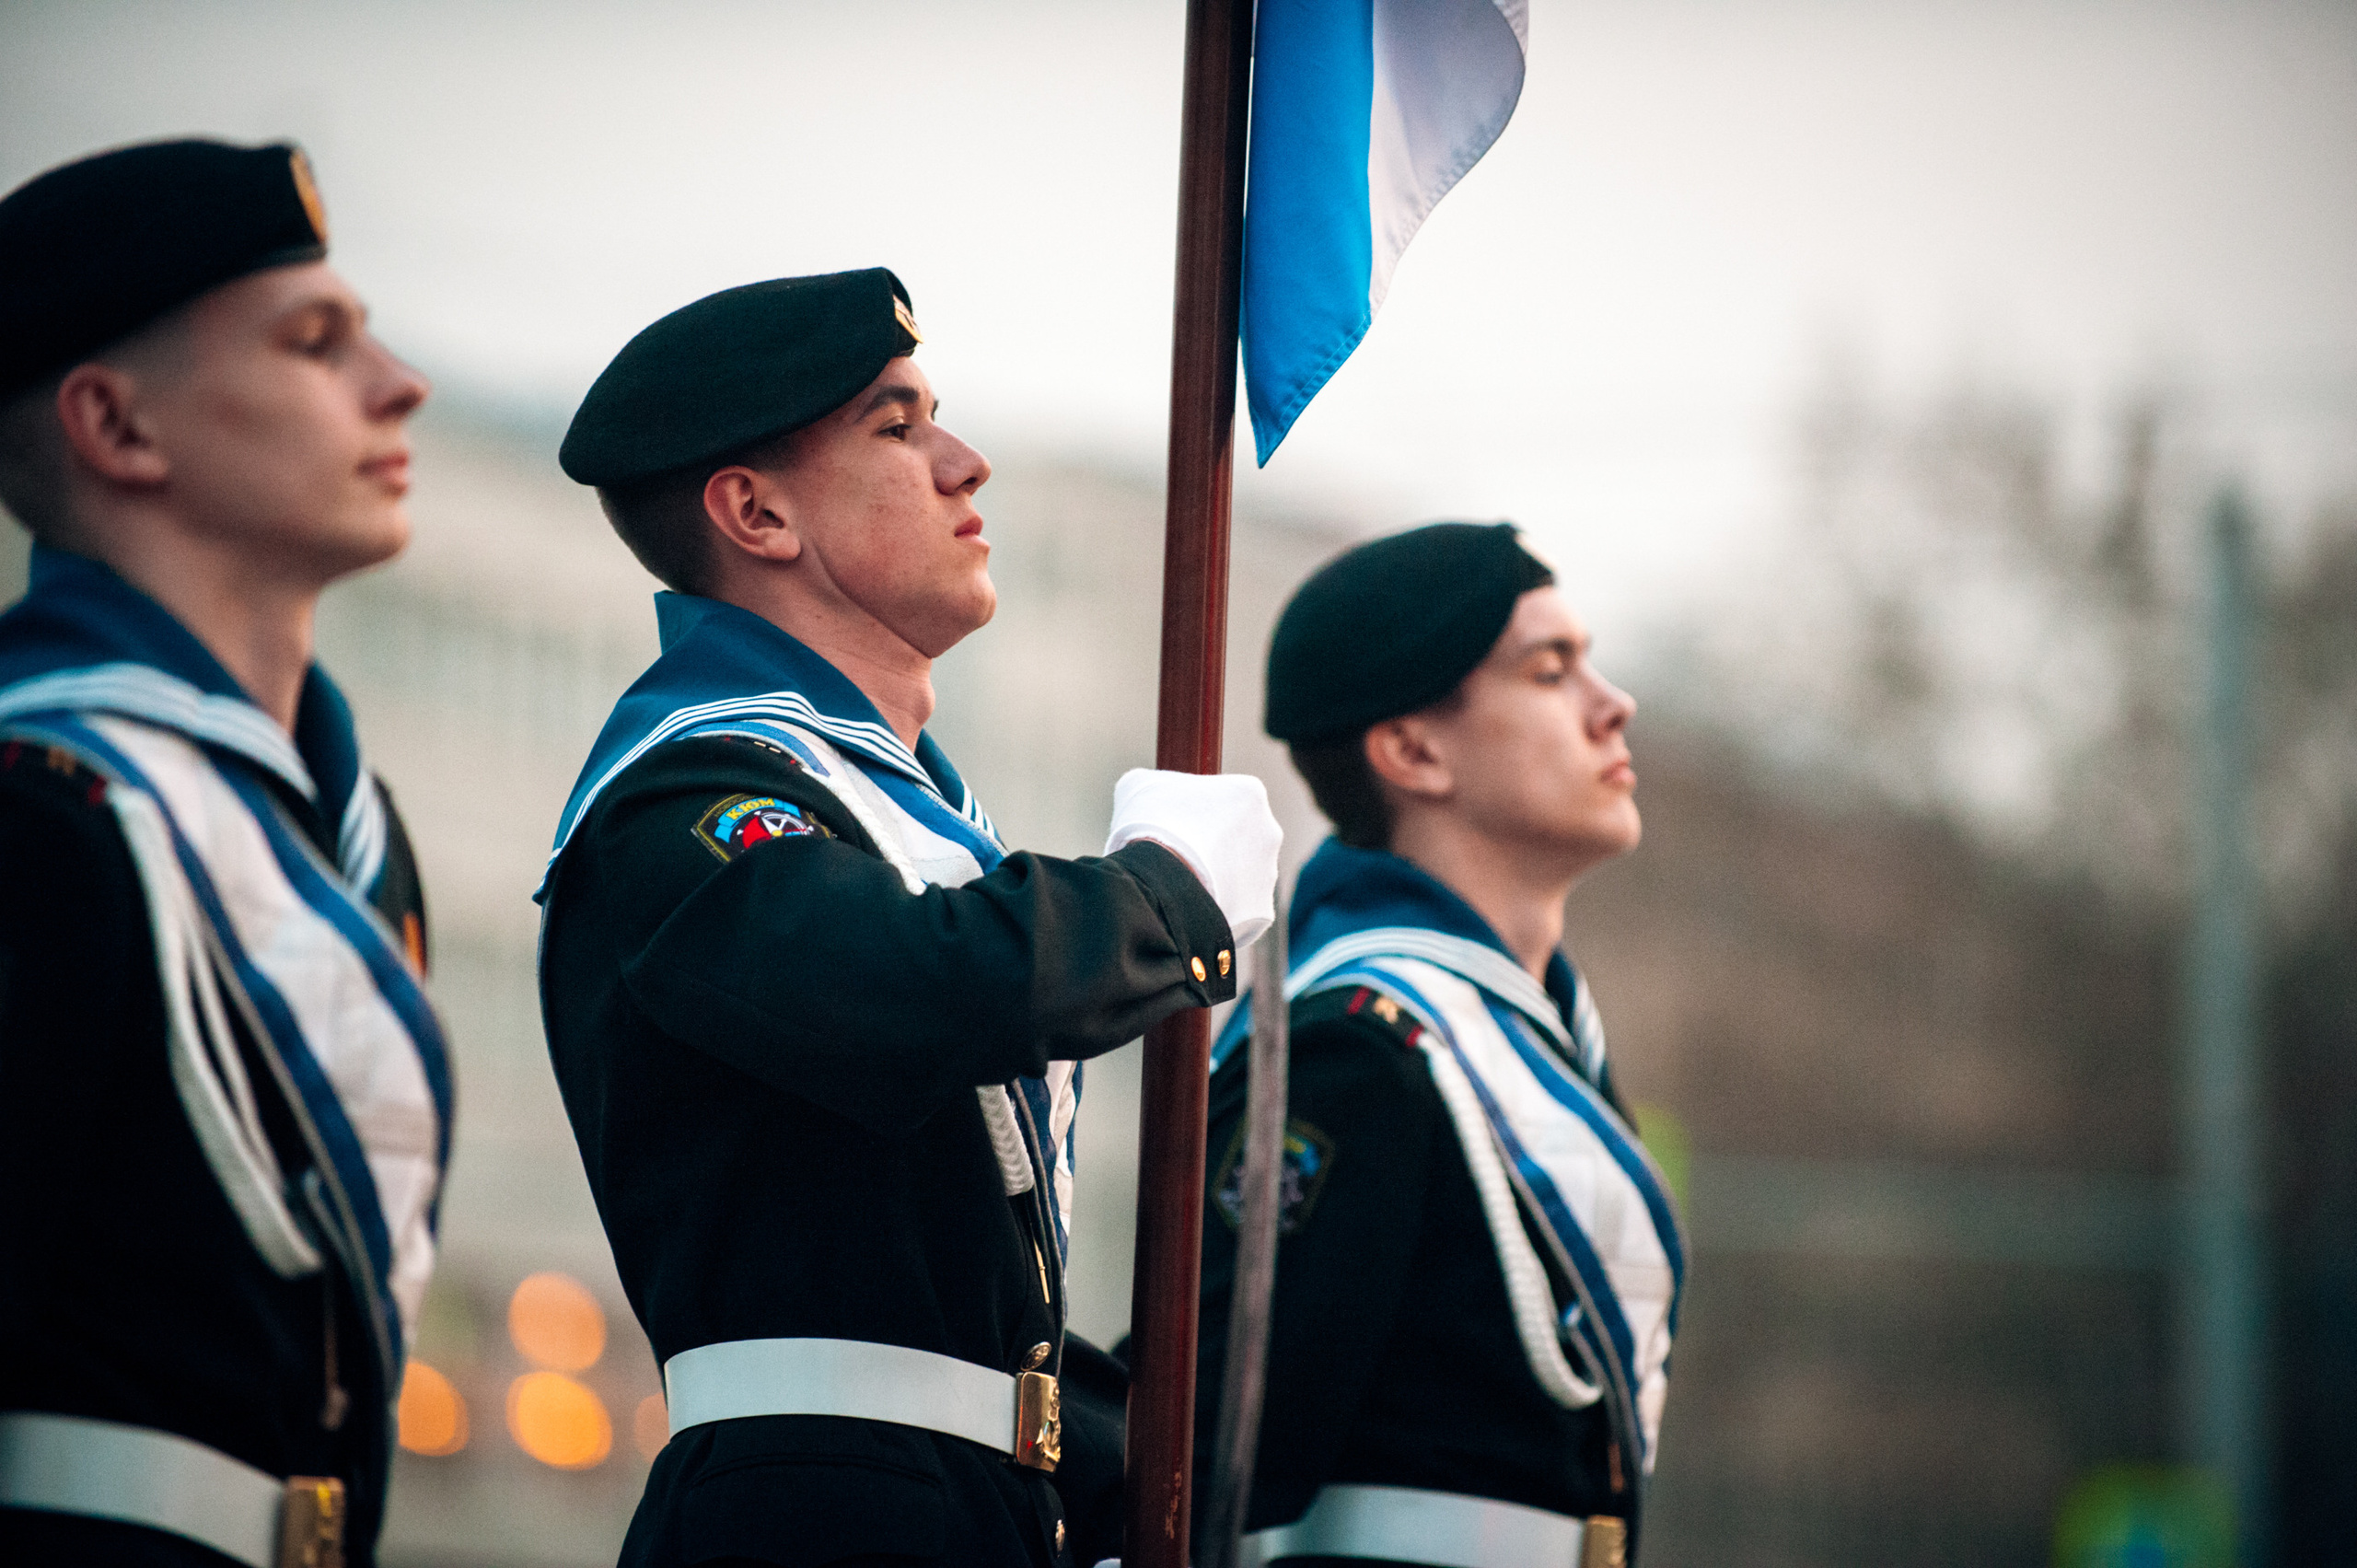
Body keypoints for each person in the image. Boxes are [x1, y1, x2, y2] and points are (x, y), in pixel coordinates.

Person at [537, 269, 1282, 1568]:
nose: (965, 462)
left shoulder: (900, 808)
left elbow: (942, 1278)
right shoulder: (687, 797)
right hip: (811, 1514)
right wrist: (1164, 897)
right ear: (756, 509)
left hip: (962, 1507)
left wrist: (1096, 1474)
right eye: (899, 426)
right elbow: (916, 988)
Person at [0, 139, 452, 1568]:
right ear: (118, 428)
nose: (400, 382)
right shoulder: (37, 812)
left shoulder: (350, 829)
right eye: (317, 341)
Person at [1192, 522, 1687, 1568]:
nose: (1613, 702)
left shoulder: (1526, 1037)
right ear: (1413, 750)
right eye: (1550, 670)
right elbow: (1203, 1442)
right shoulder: (1353, 1051)